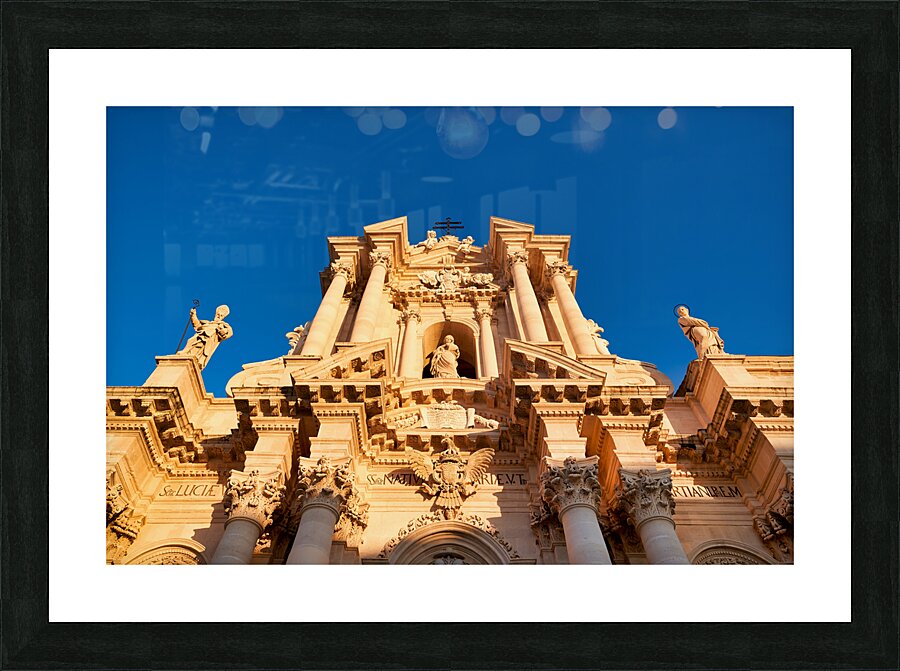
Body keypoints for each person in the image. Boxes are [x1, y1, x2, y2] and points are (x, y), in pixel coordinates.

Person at [178, 304, 234, 369]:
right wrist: (193, 315)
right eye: (218, 314)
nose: (219, 316)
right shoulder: (207, 323)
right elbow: (197, 326)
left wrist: (223, 330)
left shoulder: (223, 325)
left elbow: (229, 333)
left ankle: (196, 360)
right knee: (191, 341)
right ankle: (185, 353)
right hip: (199, 336)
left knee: (201, 351)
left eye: (221, 315)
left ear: (223, 317)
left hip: (208, 341)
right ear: (215, 314)